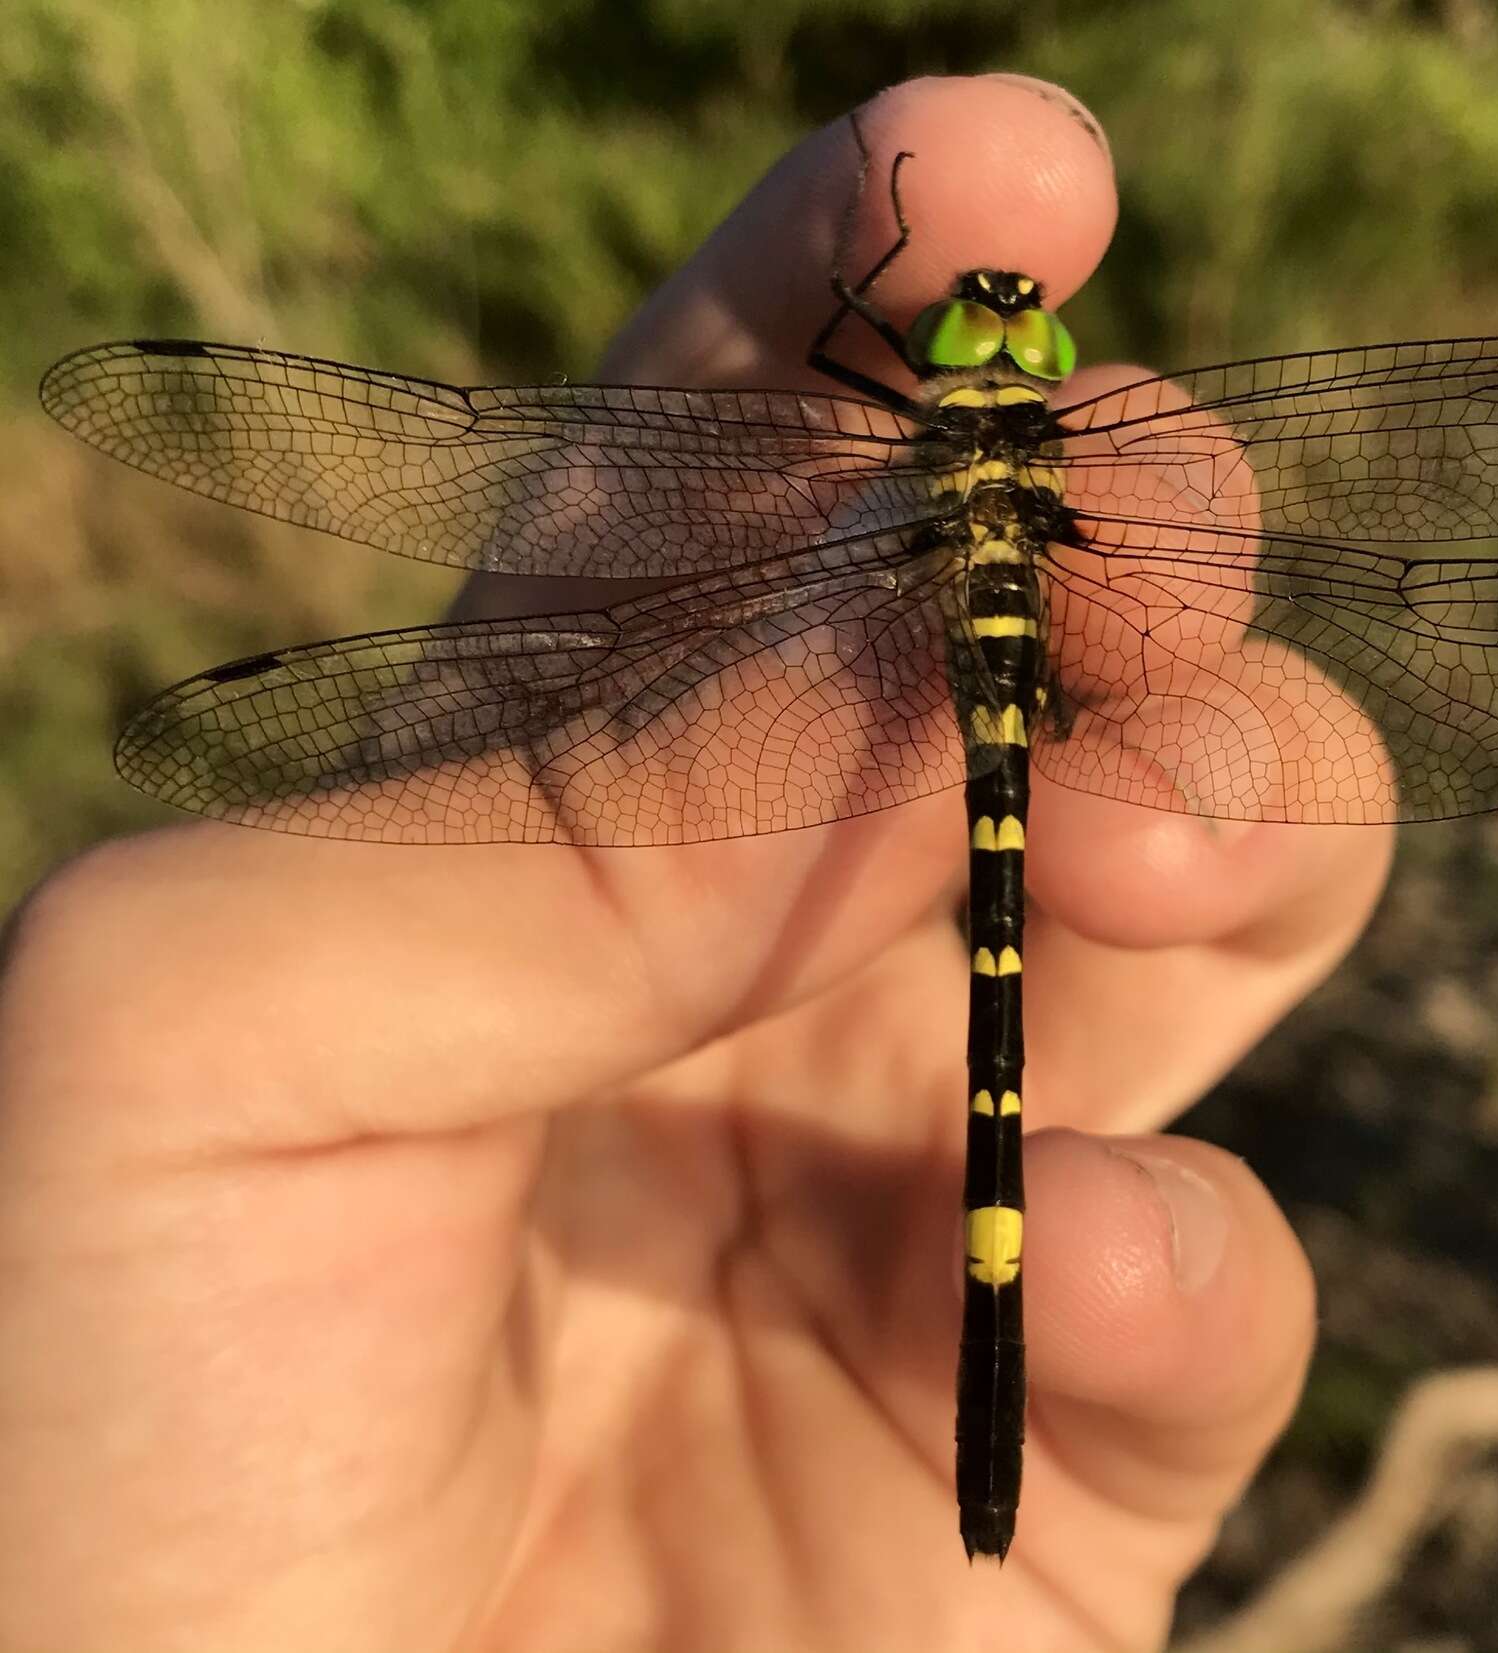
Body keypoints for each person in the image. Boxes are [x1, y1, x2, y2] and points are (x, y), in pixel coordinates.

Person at [0, 76, 1391, 1651]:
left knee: (1164, 766)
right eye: (980, 331)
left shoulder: (910, 450)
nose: (1004, 334)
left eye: (1023, 338)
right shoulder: (967, 463)